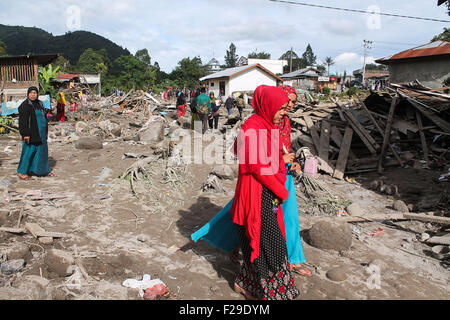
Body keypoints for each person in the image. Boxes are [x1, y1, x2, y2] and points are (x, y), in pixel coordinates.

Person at [191, 85, 311, 277]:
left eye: (292, 102)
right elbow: (258, 165)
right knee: (256, 226)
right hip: (263, 185)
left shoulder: (279, 121)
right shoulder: (257, 124)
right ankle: (260, 268)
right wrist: (280, 183)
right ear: (270, 103)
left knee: (273, 222)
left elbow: (275, 153)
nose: (288, 105)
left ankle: (285, 261)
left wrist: (289, 162)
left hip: (276, 178)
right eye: (285, 101)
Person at [231, 85, 299, 300]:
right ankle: (276, 294)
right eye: (280, 108)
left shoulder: (268, 125)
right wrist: (282, 191)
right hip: (256, 193)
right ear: (267, 105)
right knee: (271, 245)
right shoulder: (252, 128)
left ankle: (245, 283)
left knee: (263, 242)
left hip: (266, 192)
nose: (283, 112)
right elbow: (258, 167)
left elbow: (272, 159)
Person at [17, 87, 55, 180]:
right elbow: (23, 122)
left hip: (41, 134)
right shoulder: (25, 106)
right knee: (28, 152)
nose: (33, 95)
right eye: (31, 93)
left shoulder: (40, 103)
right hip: (31, 133)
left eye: (35, 93)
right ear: (28, 94)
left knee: (41, 152)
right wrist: (25, 134)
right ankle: (22, 172)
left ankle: (42, 171)